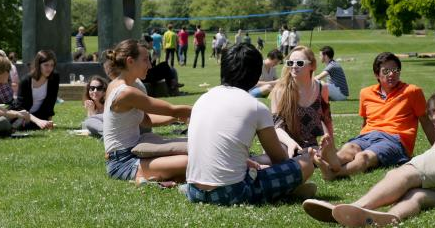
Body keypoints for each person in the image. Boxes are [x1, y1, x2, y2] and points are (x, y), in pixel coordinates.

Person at [303, 91, 435, 227]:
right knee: (418, 196)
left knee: (403, 174)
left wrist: (409, 168)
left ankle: (353, 208)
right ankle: (390, 218)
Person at [185, 43, 316, 205]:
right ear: (256, 75)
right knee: (305, 164)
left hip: (193, 191)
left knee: (257, 166)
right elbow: (279, 158)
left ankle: (287, 190)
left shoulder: (202, 99)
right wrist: (300, 158)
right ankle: (289, 189)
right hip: (231, 192)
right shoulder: (255, 107)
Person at [314, 52, 434, 180]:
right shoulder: (366, 93)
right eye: (386, 71)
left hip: (394, 140)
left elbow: (425, 120)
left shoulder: (412, 92)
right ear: (377, 74)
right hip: (367, 136)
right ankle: (334, 159)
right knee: (350, 148)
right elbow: (365, 122)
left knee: (364, 157)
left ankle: (333, 171)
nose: (391, 74)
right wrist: (360, 139)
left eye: (395, 70)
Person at [102, 39, 191, 183]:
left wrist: (176, 118)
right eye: (145, 60)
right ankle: (145, 176)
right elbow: (171, 110)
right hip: (123, 162)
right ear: (130, 61)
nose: (150, 65)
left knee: (192, 154)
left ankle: (162, 177)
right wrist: (201, 110)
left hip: (136, 150)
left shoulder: (131, 84)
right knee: (189, 162)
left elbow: (146, 120)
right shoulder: (125, 92)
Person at [269, 46, 333, 157]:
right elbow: (275, 127)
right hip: (284, 145)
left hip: (311, 147)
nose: (293, 66)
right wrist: (290, 143)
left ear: (312, 65)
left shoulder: (322, 88)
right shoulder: (280, 91)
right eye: (290, 63)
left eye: (299, 63)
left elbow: (327, 119)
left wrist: (331, 146)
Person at [13, 50, 59, 130]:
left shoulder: (54, 77)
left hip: (40, 114)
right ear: (38, 65)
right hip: (23, 114)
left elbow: (52, 101)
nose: (49, 68)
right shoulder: (25, 81)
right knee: (22, 124)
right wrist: (38, 121)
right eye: (46, 65)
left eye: (52, 65)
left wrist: (49, 121)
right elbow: (20, 107)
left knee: (32, 125)